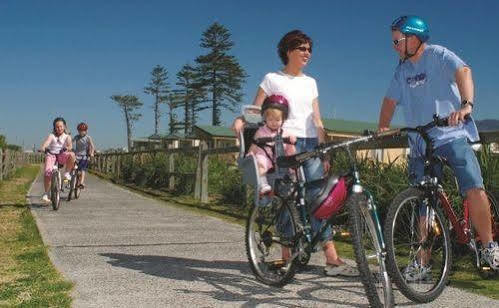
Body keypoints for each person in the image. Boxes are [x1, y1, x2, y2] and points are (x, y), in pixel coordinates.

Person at [378, 15, 499, 279]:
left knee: (473, 186)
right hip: (421, 144)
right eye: (393, 41)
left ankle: (489, 246)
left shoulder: (438, 55)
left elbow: (463, 71)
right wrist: (383, 128)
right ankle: (423, 262)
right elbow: (389, 100)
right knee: (423, 201)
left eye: (397, 40)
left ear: (414, 38)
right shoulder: (402, 71)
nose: (394, 46)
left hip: (451, 135)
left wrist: (466, 105)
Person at [233, 30, 358, 277]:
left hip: (310, 142)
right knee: (287, 197)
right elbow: (256, 110)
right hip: (282, 142)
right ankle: (287, 257)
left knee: (318, 196)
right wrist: (240, 119)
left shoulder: (311, 83)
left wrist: (324, 151)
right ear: (288, 50)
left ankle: (331, 258)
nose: (307, 53)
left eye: (309, 49)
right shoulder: (271, 79)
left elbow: (317, 118)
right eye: (302, 48)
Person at [248, 95, 296, 194]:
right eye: (270, 119)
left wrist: (292, 140)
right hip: (265, 156)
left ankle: (293, 185)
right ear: (265, 118)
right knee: (261, 162)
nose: (274, 123)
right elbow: (254, 145)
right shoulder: (261, 132)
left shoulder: (285, 133)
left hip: (280, 159)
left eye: (277, 120)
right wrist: (250, 154)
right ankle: (263, 183)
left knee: (292, 165)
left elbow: (290, 149)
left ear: (283, 119)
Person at [40, 117, 76, 203]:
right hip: (52, 155)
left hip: (61, 155)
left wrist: (67, 147)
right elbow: (46, 143)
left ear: (64, 127)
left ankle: (67, 173)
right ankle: (46, 193)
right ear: (54, 128)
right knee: (47, 172)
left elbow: (70, 145)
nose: (59, 128)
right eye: (57, 127)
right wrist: (43, 147)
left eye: (61, 126)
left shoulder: (67, 136)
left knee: (72, 154)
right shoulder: (51, 136)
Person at [73, 122, 95, 188]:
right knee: (74, 168)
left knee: (83, 169)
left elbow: (92, 146)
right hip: (76, 155)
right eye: (80, 131)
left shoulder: (88, 138)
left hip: (84, 156)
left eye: (83, 131)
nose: (81, 132)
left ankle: (82, 182)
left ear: (86, 131)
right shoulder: (76, 137)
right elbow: (71, 142)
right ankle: (71, 181)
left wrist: (92, 153)